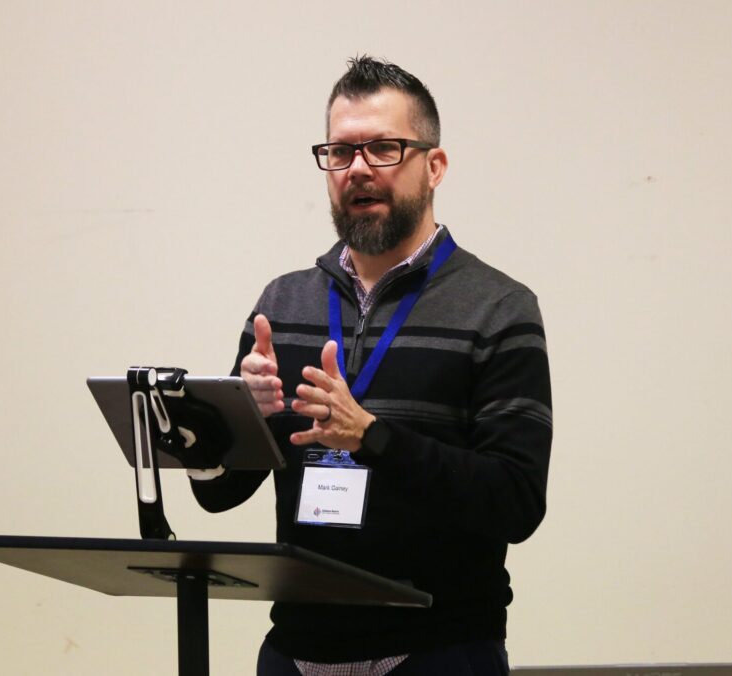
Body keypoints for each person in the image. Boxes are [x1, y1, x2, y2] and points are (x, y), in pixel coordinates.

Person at [190, 56, 553, 676]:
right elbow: (221, 494)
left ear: (433, 167)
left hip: (439, 650)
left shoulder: (498, 309)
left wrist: (374, 438)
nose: (358, 169)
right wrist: (227, 426)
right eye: (340, 152)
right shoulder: (283, 304)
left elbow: (515, 503)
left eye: (383, 148)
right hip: (296, 652)